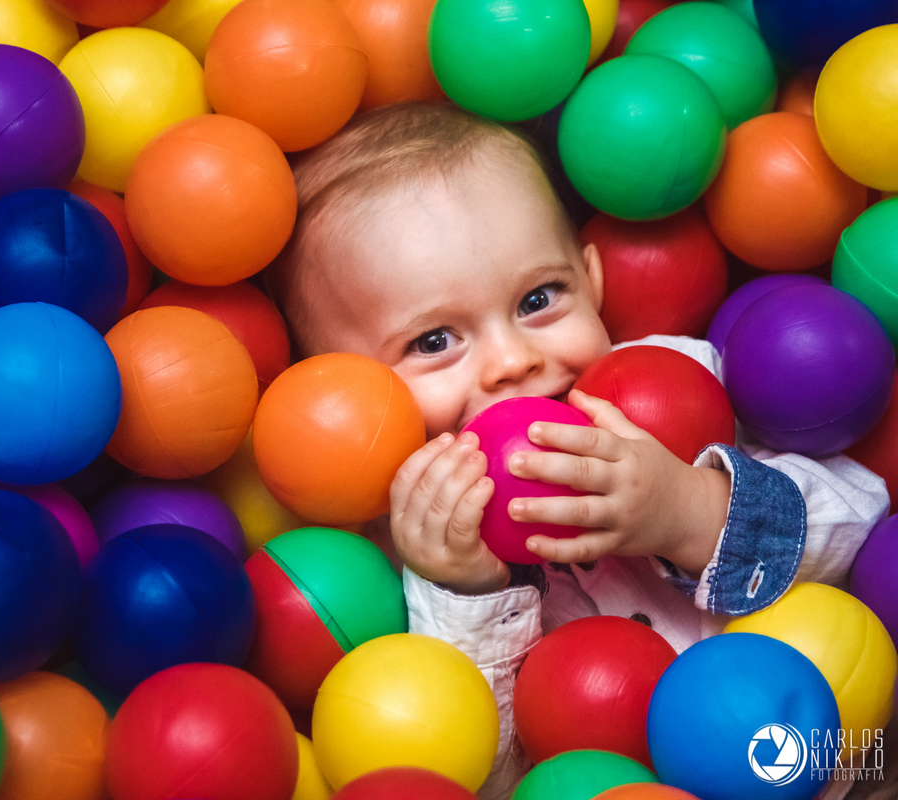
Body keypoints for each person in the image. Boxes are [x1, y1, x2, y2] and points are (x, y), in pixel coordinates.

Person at [266, 101, 889, 800]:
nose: (512, 361)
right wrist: (470, 590)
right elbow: (486, 774)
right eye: (434, 341)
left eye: (538, 298)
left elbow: (870, 520)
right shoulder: (402, 546)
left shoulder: (674, 389)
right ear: (345, 392)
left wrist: (690, 510)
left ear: (590, 280)